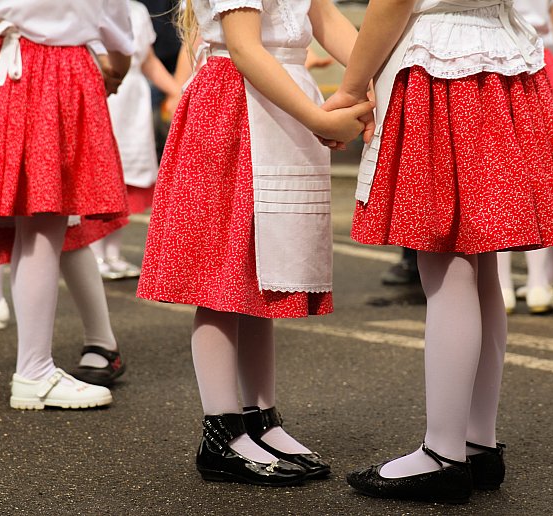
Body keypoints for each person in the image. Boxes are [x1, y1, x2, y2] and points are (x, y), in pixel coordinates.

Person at [330, 0, 553, 503]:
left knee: (445, 260)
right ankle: (478, 443)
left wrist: (350, 85)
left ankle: (442, 453)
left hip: (442, 69)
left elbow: (393, 2)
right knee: (483, 265)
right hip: (504, 62)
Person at [137, 0, 372, 486]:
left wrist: (371, 77)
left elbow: (323, 16)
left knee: (266, 271)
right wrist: (319, 118)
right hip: (235, 105)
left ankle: (259, 419)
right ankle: (221, 432)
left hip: (280, 99)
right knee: (222, 277)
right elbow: (244, 48)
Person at [0, 0, 135, 408]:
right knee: (44, 223)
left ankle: (34, 365)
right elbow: (120, 37)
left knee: (34, 222)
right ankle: (34, 370)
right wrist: (114, 73)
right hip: (63, 72)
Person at [497, 0, 553, 314]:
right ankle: (538, 283)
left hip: (484, 61)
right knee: (538, 175)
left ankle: (502, 286)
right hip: (534, 60)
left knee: (496, 181)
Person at [92, 0, 183, 281]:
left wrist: (177, 91)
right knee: (99, 178)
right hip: (104, 96)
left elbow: (149, 61)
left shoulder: (138, 11)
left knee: (127, 177)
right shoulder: (92, 6)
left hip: (133, 101)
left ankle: (112, 254)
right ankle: (93, 253)